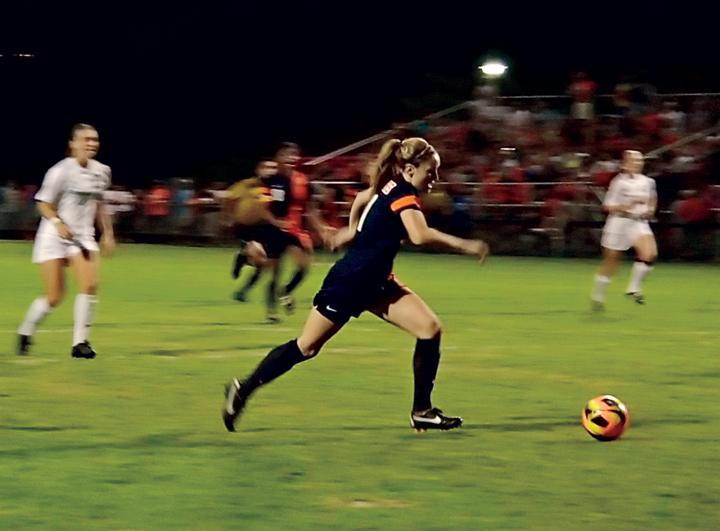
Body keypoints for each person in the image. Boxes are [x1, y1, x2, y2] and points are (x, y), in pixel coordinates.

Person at [222, 137, 489, 433]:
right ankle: (243, 389)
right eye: (432, 171)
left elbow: (365, 204)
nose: (435, 179)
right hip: (350, 283)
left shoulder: (386, 187)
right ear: (411, 169)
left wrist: (347, 234)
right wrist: (465, 245)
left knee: (430, 329)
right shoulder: (402, 194)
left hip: (376, 282)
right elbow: (419, 235)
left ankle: (422, 410)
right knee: (306, 348)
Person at [17, 123, 115, 358]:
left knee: (90, 284)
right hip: (54, 236)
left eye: (95, 139)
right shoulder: (60, 171)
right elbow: (43, 202)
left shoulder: (102, 171)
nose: (91, 144)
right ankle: (26, 330)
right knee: (54, 296)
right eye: (86, 139)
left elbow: (100, 203)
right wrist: (58, 223)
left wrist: (108, 233)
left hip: (82, 238)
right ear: (72, 143)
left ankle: (80, 343)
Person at [591, 150, 657, 309]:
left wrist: (650, 210)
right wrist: (627, 205)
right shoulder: (619, 182)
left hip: (638, 222)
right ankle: (598, 296)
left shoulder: (648, 182)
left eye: (640, 160)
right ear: (625, 164)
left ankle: (633, 288)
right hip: (619, 223)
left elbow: (652, 199)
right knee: (611, 262)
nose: (638, 163)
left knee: (650, 254)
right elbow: (608, 206)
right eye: (634, 160)